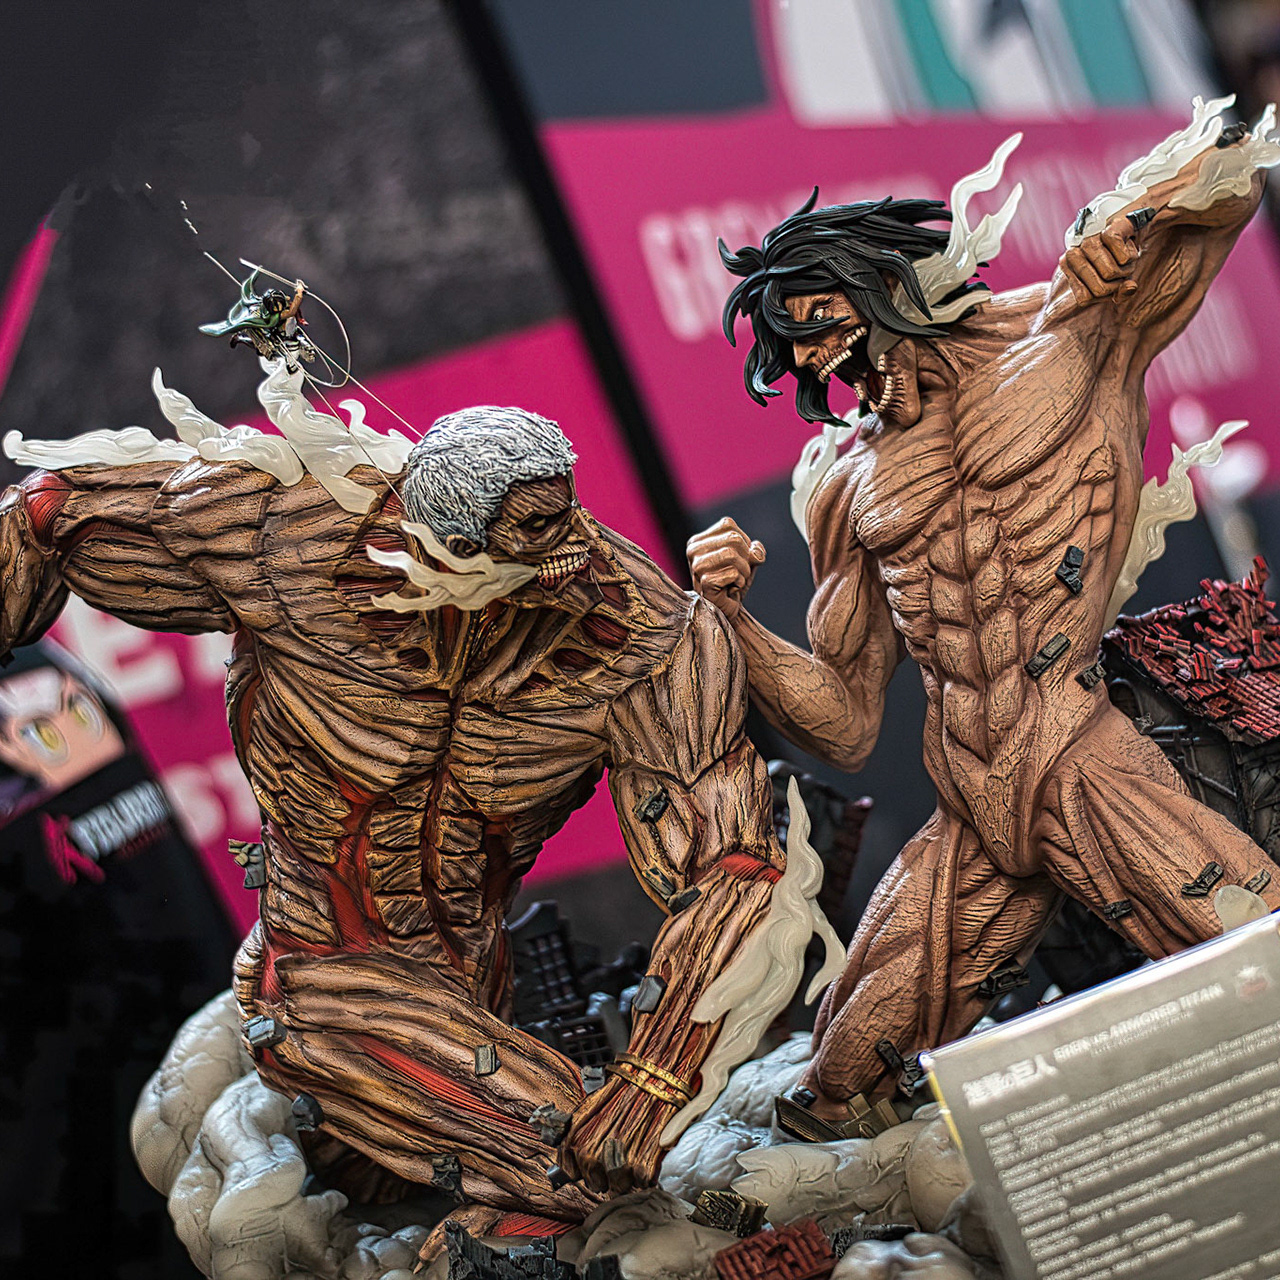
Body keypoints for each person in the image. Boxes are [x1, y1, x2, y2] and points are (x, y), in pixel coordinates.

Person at [0, 376, 838, 1255]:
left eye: (566, 511)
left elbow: (735, 866)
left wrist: (655, 1075)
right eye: (536, 528)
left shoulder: (642, 638)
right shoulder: (285, 534)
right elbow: (51, 508)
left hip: (470, 977)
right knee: (580, 1176)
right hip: (318, 972)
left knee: (462, 1200)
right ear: (442, 536)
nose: (577, 550)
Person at [687, 102, 1280, 1134]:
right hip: (969, 794)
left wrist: (1125, 216)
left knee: (1255, 953)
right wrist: (729, 617)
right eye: (799, 355)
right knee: (834, 1083)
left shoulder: (1070, 328)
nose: (820, 367)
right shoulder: (846, 483)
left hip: (1075, 751)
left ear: (883, 285)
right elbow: (843, 719)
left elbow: (1230, 174)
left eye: (823, 328)